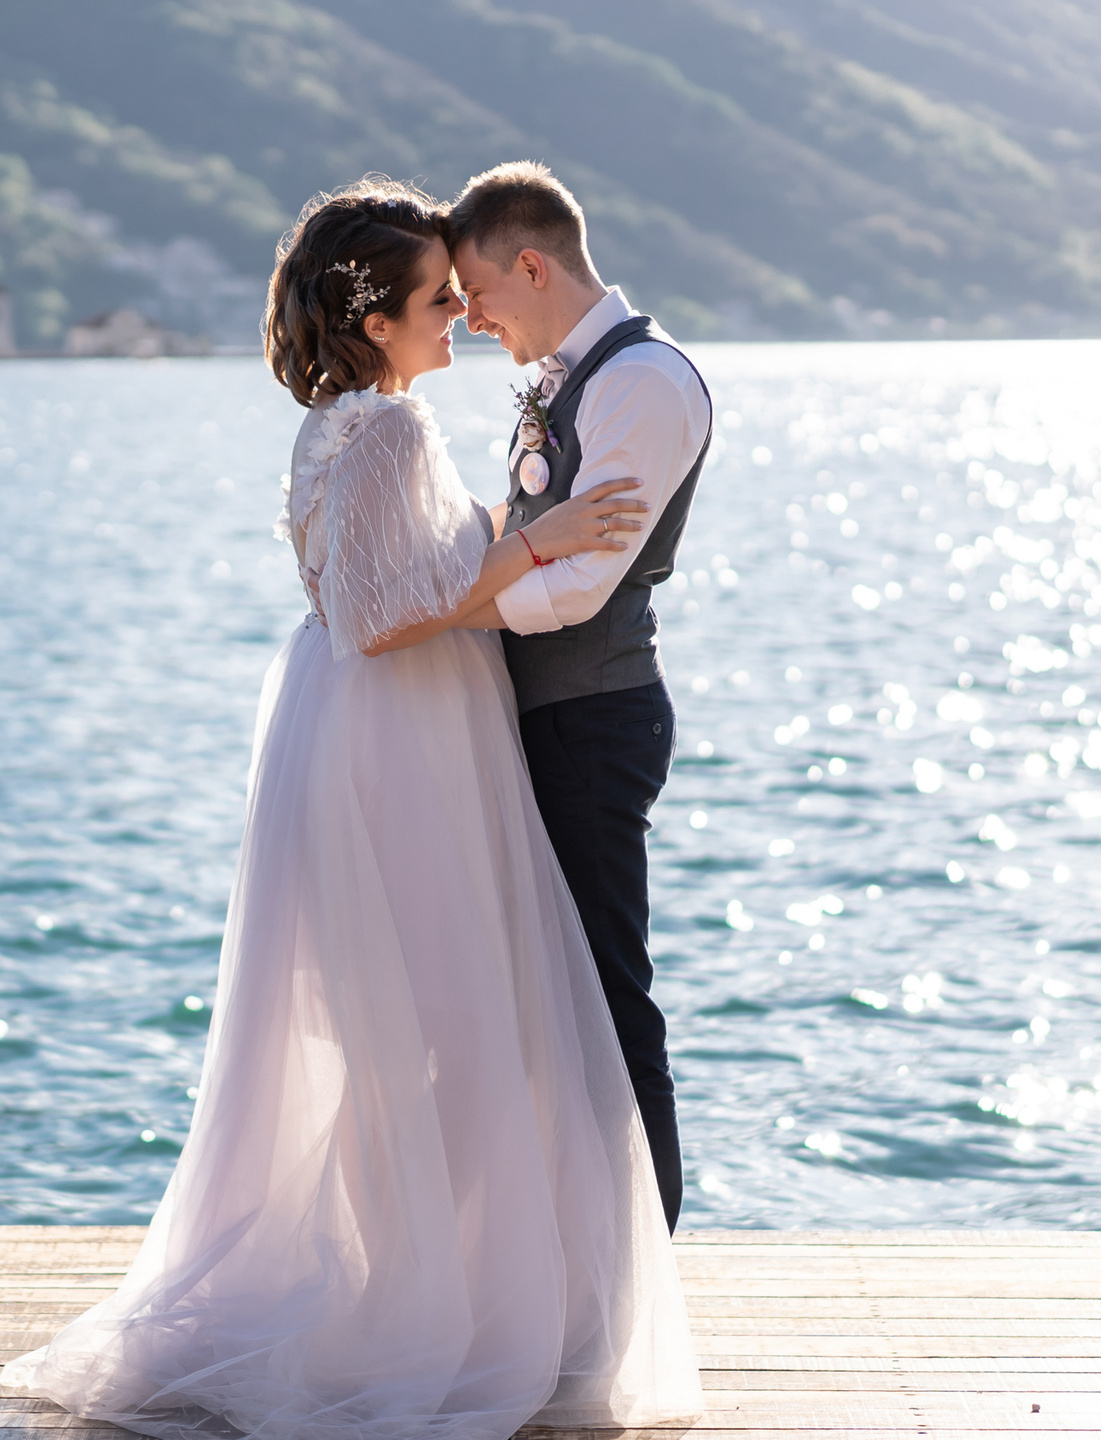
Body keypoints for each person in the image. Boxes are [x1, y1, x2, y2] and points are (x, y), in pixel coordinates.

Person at [0, 178, 703, 1440]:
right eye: (442, 300)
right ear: (378, 321)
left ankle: (440, 1281)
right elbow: (389, 615)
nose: (459, 320)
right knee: (447, 1017)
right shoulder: (385, 431)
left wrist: (508, 532)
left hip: (368, 731)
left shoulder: (348, 424)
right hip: (403, 738)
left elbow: (397, 574)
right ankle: (451, 1301)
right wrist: (537, 546)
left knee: (416, 1026)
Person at [443, 161, 713, 1231]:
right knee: (547, 1000)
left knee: (607, 1000)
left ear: (530, 263)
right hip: (548, 717)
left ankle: (644, 1260)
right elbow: (530, 536)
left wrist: (445, 607)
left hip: (595, 720)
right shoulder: (573, 372)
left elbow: (580, 580)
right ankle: (562, 1249)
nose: (468, 319)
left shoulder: (642, 380)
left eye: (476, 293)